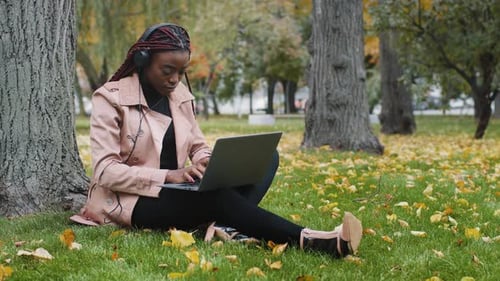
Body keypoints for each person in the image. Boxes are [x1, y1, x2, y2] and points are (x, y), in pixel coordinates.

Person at [71, 23, 363, 259]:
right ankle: (313, 241)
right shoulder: (110, 99)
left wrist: (205, 161)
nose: (175, 79)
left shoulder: (180, 97)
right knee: (218, 198)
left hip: (177, 189)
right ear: (143, 61)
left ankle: (220, 226)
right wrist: (168, 175)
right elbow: (105, 171)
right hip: (129, 201)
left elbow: (198, 145)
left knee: (265, 160)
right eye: (167, 70)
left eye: (181, 71)